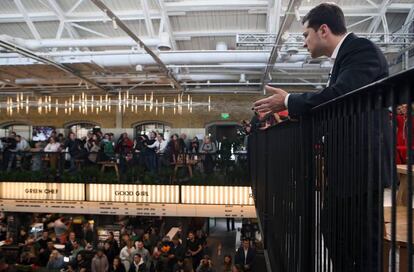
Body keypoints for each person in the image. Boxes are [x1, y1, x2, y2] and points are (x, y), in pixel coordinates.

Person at [253, 3, 390, 271]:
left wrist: (289, 100)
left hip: (362, 169)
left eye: (306, 35)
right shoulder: (345, 57)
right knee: (335, 231)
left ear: (323, 30)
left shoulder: (361, 51)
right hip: (349, 168)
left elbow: (338, 96)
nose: (304, 42)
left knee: (363, 246)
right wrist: (289, 112)